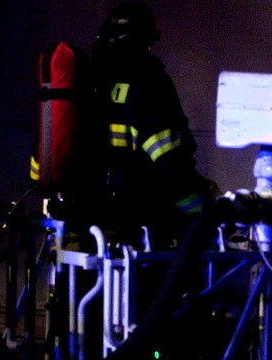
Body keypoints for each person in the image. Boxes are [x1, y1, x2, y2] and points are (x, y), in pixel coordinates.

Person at [90, 1, 216, 249]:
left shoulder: (90, 78)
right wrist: (209, 207)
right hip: (140, 219)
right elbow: (171, 166)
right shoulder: (149, 82)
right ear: (143, 41)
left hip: (91, 218)